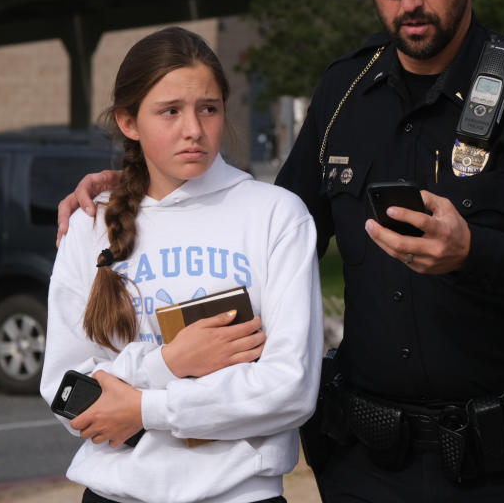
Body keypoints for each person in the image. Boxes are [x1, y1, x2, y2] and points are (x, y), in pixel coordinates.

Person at [58, 0, 504, 501]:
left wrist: (477, 252)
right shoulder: (344, 95)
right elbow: (262, 223)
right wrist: (148, 178)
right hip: (369, 465)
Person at [41, 26, 323, 503]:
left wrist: (147, 408)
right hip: (114, 494)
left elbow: (289, 389)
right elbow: (67, 396)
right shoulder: (91, 225)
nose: (193, 129)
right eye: (169, 111)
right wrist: (169, 364)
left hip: (239, 495)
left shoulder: (276, 215)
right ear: (129, 122)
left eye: (208, 109)